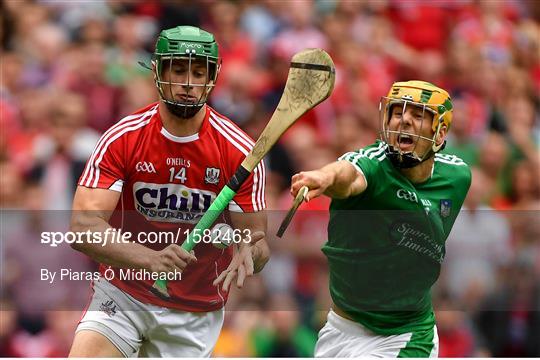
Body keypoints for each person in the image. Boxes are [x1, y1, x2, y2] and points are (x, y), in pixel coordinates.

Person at [69, 26, 269, 357]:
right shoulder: (122, 138)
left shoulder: (239, 151)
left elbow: (257, 244)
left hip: (194, 312)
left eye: (198, 71)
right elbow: (82, 228)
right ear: (158, 72)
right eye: (178, 69)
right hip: (123, 292)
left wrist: (249, 250)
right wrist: (149, 259)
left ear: (212, 77)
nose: (188, 82)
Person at [290, 80, 471, 357]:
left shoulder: (457, 177)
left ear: (440, 131)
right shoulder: (373, 164)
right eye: (397, 112)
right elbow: (348, 174)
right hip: (340, 329)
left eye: (418, 115)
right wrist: (324, 177)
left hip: (407, 334)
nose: (404, 121)